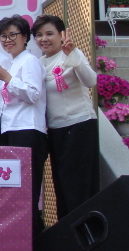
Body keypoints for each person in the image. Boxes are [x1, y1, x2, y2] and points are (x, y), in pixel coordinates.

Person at [0, 15, 47, 236]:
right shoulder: (12, 62)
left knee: (27, 190)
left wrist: (8, 78)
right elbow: (5, 98)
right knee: (13, 190)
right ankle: (17, 239)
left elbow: (33, 94)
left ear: (25, 37)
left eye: (12, 35)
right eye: (3, 36)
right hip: (9, 130)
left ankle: (33, 241)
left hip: (27, 130)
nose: (7, 40)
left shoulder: (30, 61)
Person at [32, 14, 98, 219]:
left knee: (78, 185)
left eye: (49, 34)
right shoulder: (39, 62)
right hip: (55, 130)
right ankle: (66, 231)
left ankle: (84, 229)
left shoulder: (71, 54)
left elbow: (90, 81)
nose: (44, 39)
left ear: (61, 35)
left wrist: (74, 57)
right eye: (39, 35)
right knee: (61, 184)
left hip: (79, 125)